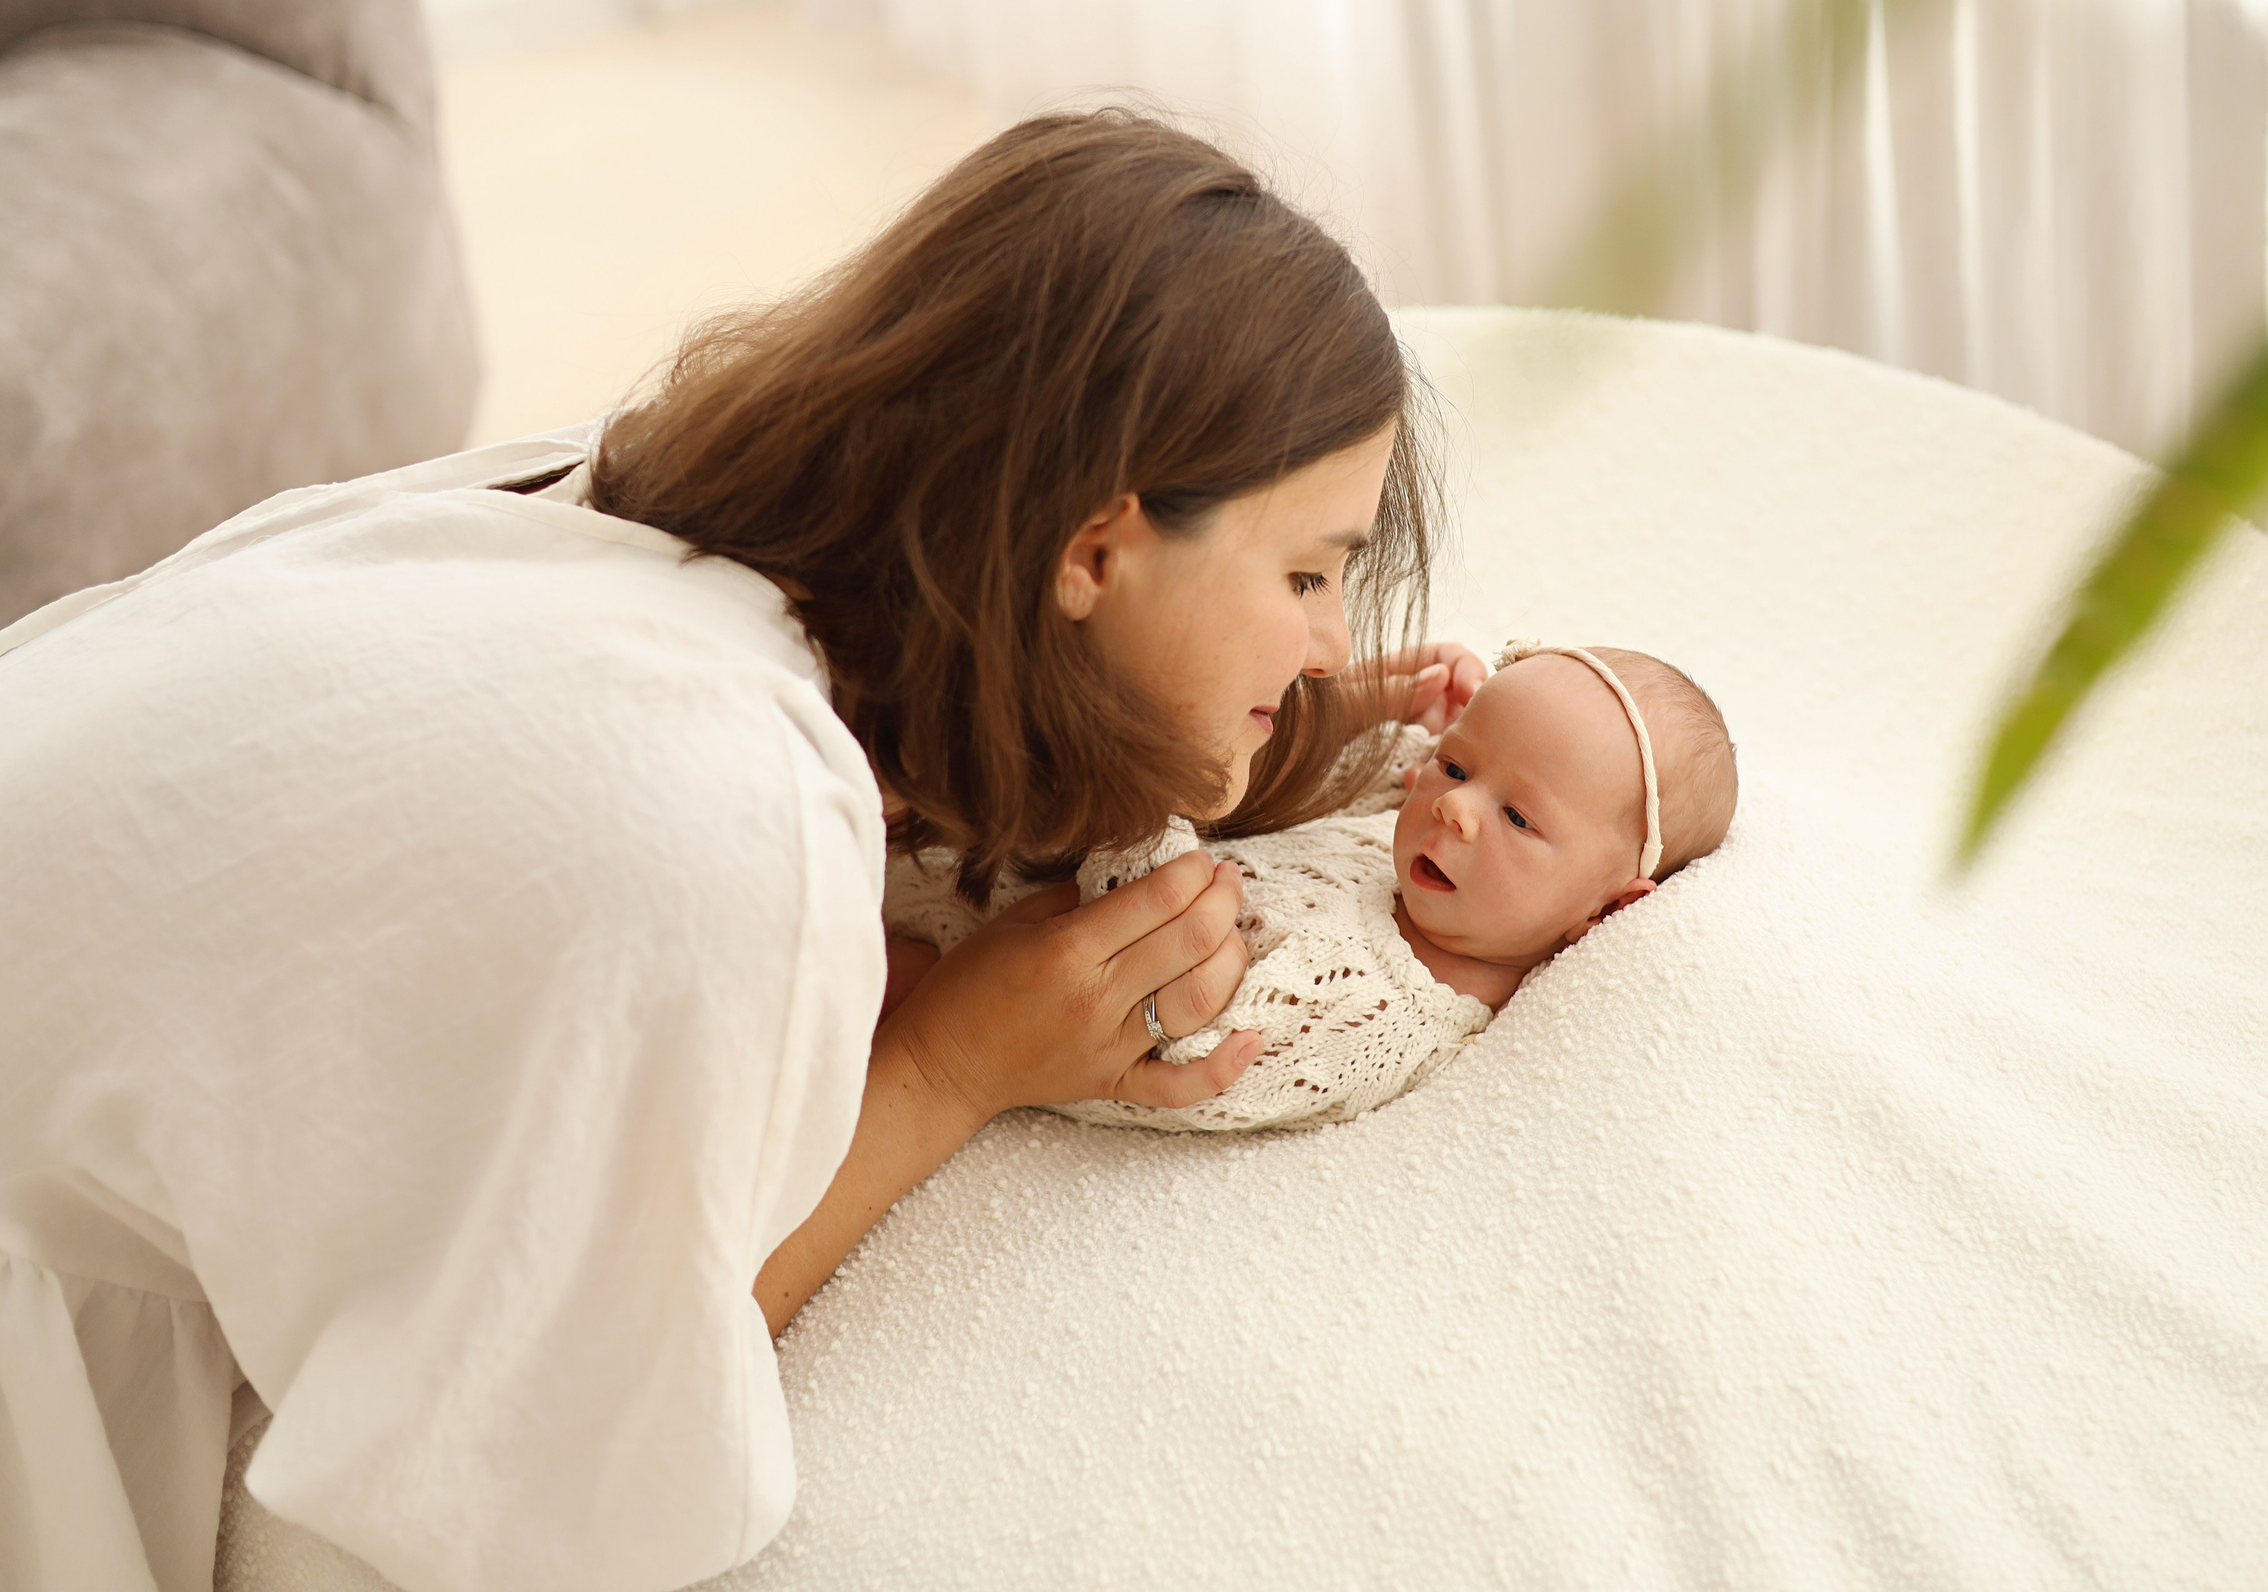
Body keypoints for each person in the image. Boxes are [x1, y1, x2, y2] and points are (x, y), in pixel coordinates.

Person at [0, 111, 1480, 1592]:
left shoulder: (621, 510)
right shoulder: (722, 813)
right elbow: (552, 1482)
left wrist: (1272, 711)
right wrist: (950, 1066)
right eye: (1307, 573)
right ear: (1092, 552)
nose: (1331, 638)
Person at [883, 642, 1738, 1131]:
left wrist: (1142, 811)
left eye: (1519, 819)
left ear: (1607, 909)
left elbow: (1190, 1044)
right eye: (1457, 763)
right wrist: (1372, 701)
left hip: (976, 974)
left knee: (864, 983)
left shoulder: (1389, 1015)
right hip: (984, 855)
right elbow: (1308, 777)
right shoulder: (1406, 841)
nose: (1455, 809)